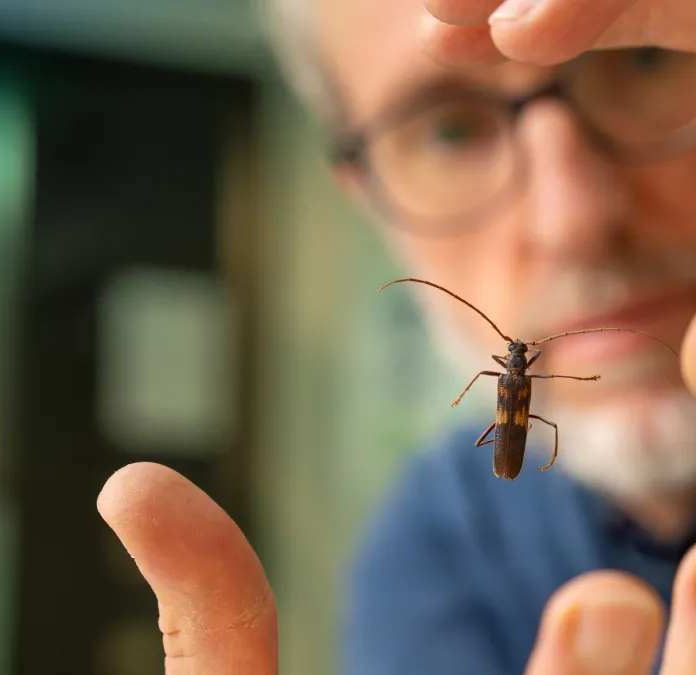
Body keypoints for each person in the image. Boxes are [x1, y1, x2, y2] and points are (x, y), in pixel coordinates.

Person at [96, 1, 696, 673]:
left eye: (647, 58)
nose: (573, 220)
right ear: (364, 192)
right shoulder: (428, 560)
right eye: (450, 130)